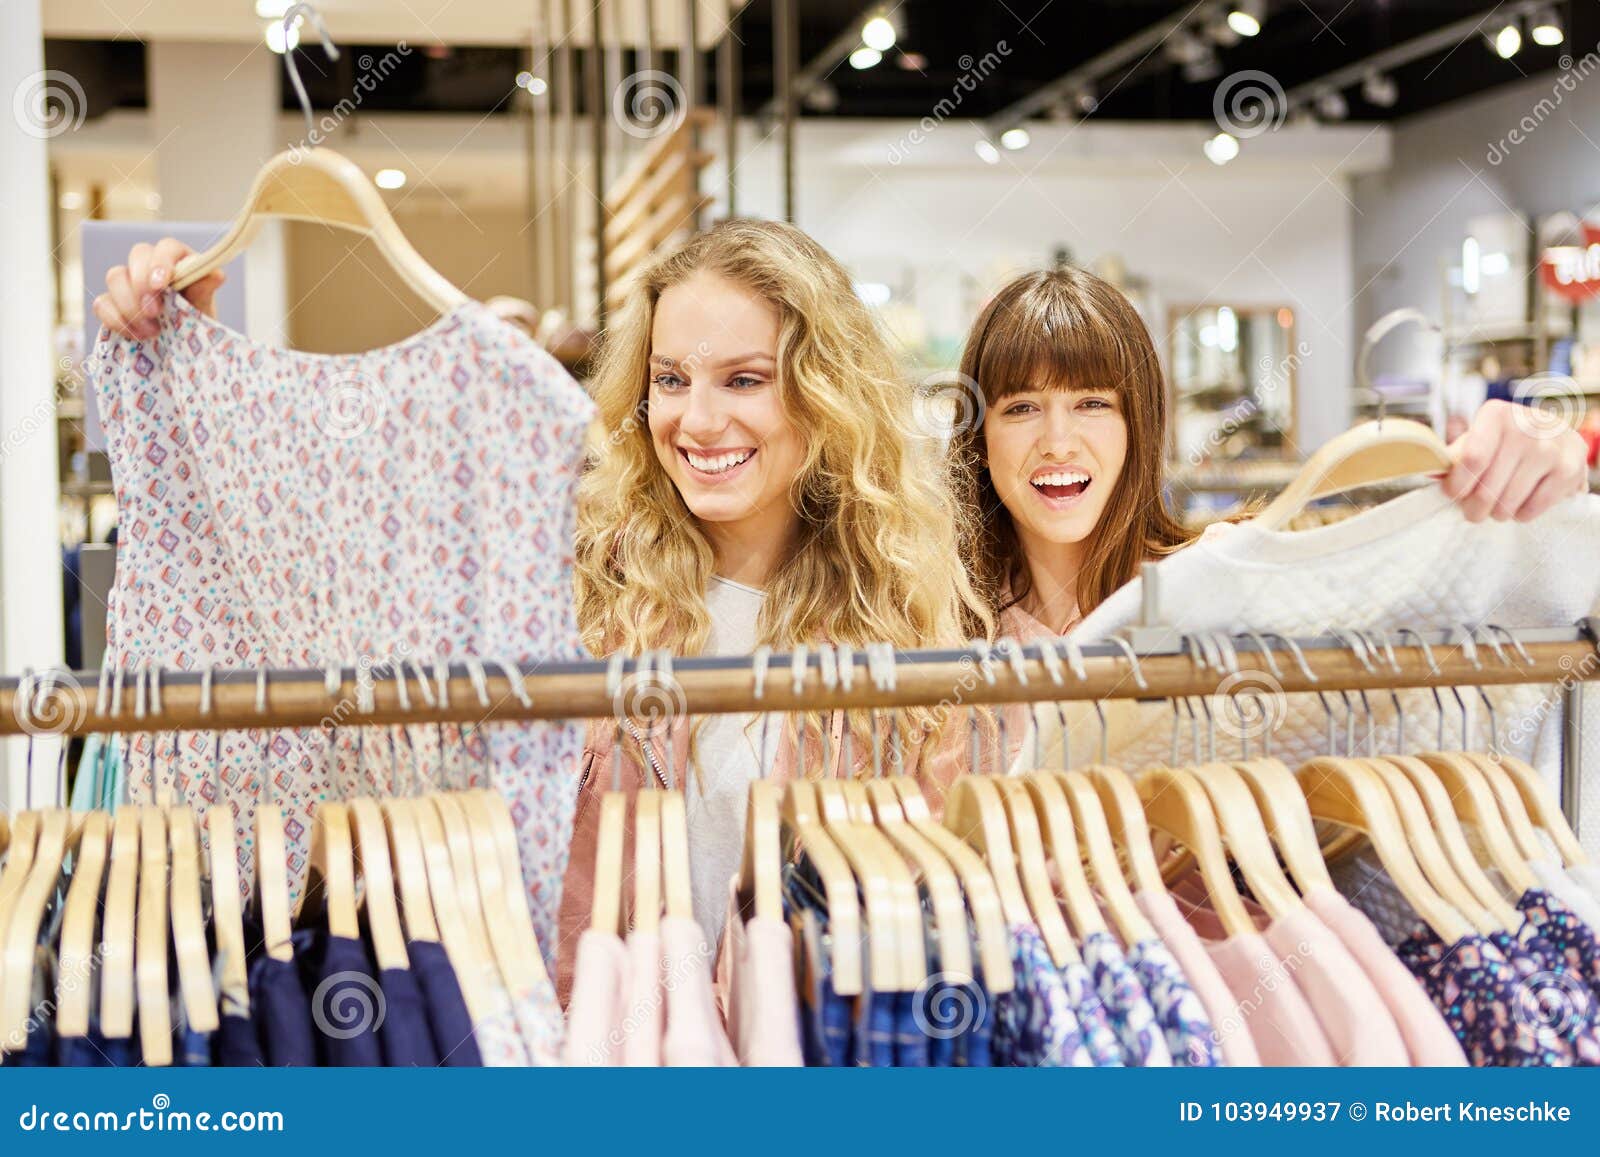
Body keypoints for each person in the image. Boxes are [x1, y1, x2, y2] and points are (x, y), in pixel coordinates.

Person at [949, 266, 1594, 643]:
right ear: (979, 435)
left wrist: (1549, 466)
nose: (1058, 441)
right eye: (1021, 408)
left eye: (1093, 404)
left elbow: (1485, 603)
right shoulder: (934, 629)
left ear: (1138, 427)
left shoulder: (1226, 588)